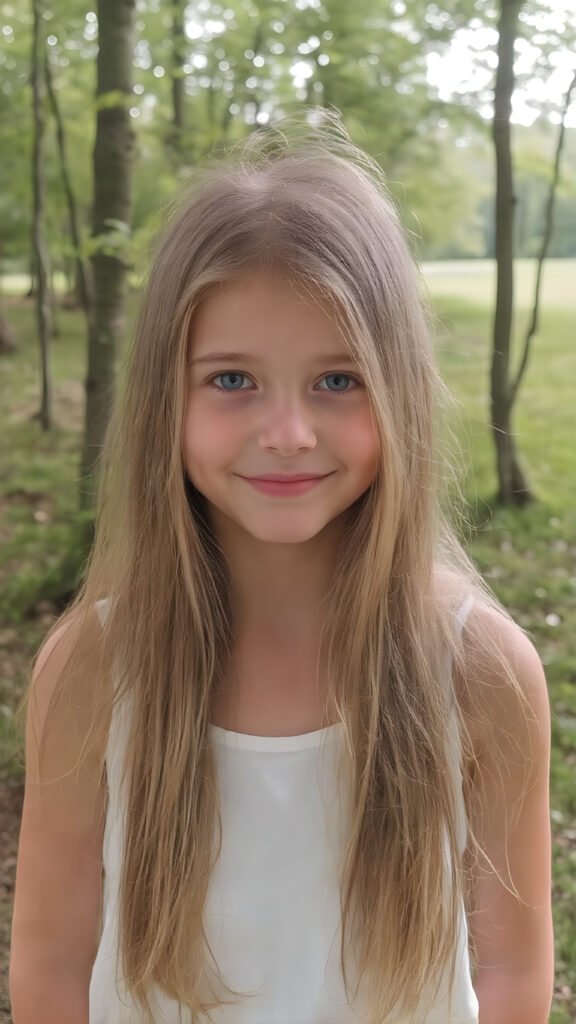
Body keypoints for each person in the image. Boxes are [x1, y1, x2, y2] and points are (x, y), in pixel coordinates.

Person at [10, 122, 553, 1024]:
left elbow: (511, 975)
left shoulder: (482, 670)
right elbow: (52, 966)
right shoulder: (94, 668)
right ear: (162, 401)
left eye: (339, 380)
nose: (290, 432)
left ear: (402, 391)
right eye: (232, 381)